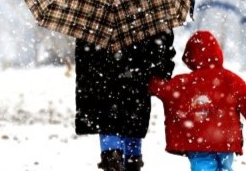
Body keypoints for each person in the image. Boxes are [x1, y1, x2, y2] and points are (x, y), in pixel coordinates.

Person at [149, 30, 246, 171]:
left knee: (202, 166)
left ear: (190, 57)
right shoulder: (232, 80)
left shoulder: (183, 83)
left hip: (197, 143)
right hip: (227, 141)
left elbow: (159, 88)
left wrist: (146, 76)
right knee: (225, 167)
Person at [75, 29, 176, 171]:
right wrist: (162, 70)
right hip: (136, 75)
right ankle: (131, 161)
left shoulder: (94, 13)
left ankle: (112, 160)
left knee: (108, 122)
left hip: (102, 78)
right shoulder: (146, 11)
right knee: (132, 122)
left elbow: (84, 52)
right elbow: (162, 40)